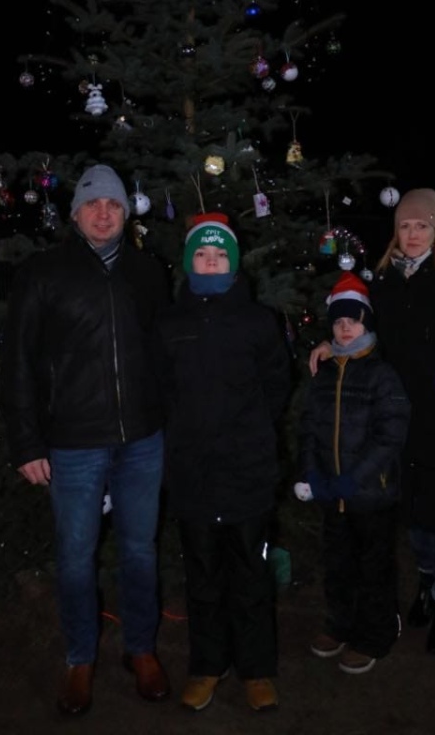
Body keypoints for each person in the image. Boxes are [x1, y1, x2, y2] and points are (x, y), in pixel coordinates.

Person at [0, 164, 171, 716]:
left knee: (140, 550)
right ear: (75, 214)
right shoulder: (43, 273)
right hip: (73, 442)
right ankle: (80, 658)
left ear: (125, 213)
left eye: (113, 204)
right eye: (93, 204)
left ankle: (140, 649)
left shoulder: (147, 272)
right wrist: (26, 442)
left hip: (142, 438)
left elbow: (165, 353)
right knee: (76, 556)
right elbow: (18, 361)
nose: (103, 213)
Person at [309, 188, 435, 655]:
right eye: (405, 226)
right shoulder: (384, 280)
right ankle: (427, 582)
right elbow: (365, 331)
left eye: (421, 226)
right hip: (401, 418)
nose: (413, 235)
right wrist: (333, 344)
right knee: (415, 514)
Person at [156, 212, 292, 713]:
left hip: (246, 473)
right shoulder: (170, 323)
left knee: (251, 576)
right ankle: (207, 665)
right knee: (203, 577)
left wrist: (248, 432)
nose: (210, 261)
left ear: (233, 263)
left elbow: (277, 384)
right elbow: (162, 391)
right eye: (201, 254)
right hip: (193, 474)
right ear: (189, 261)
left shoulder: (258, 321)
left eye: (219, 255)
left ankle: (256, 669)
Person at [293, 271, 411, 675]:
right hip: (331, 493)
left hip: (370, 494)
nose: (345, 328)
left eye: (354, 321)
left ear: (367, 324)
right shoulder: (324, 374)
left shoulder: (382, 375)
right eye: (339, 321)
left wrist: (355, 478)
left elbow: (390, 436)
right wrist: (312, 473)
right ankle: (339, 624)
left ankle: (374, 635)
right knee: (338, 563)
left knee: (374, 568)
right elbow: (309, 428)